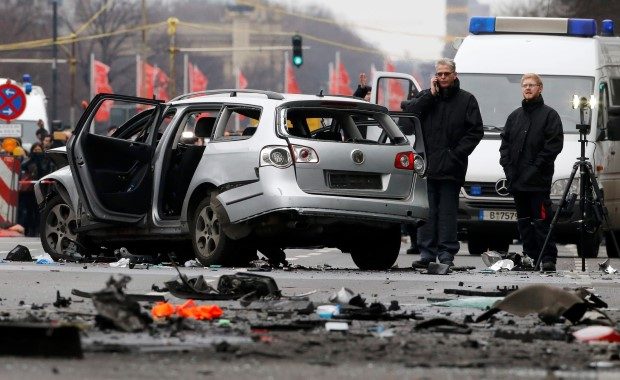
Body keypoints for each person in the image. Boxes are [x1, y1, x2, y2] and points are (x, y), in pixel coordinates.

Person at [403, 58, 483, 268]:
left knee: (447, 214)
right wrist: (429, 95)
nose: (443, 78)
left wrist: (455, 154)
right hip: (428, 167)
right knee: (426, 213)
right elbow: (407, 118)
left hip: (452, 167)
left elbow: (475, 131)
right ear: (434, 76)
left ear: (455, 75)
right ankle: (427, 254)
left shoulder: (467, 100)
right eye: (439, 74)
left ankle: (446, 254)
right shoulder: (426, 97)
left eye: (446, 74)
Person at [499, 73, 563, 272]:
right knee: (524, 222)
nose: (527, 88)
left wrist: (534, 169)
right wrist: (509, 171)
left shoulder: (550, 115)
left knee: (542, 221)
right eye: (524, 85)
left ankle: (547, 258)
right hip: (517, 181)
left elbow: (553, 147)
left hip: (539, 181)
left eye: (531, 85)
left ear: (540, 88)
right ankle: (530, 257)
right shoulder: (515, 116)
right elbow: (505, 146)